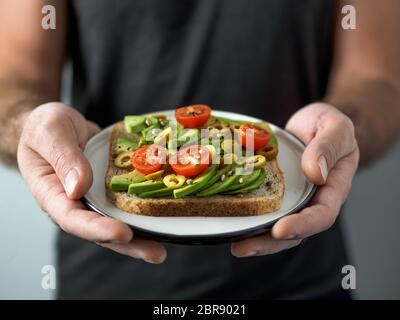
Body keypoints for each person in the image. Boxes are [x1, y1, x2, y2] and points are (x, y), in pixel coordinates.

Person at [0, 0, 399, 299]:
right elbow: (13, 81)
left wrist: (343, 131)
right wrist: (29, 128)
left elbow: (379, 82)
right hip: (105, 277)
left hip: (301, 276)